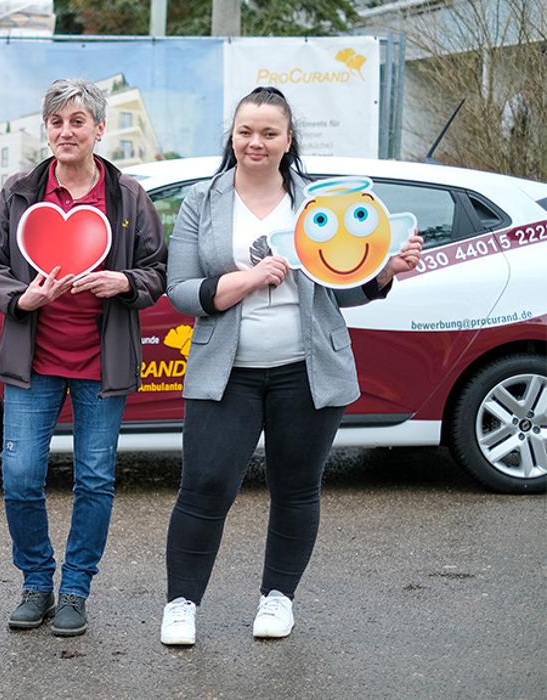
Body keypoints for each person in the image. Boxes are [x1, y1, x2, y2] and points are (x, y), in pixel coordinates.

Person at [159, 86, 424, 646]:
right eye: (245, 131)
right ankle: (181, 604)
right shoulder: (200, 202)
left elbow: (341, 287)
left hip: (305, 370)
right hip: (224, 372)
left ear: (288, 140)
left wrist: (383, 270)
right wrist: (247, 281)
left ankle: (277, 599)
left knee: (297, 487)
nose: (256, 142)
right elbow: (181, 291)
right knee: (204, 485)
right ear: (232, 136)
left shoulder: (316, 202)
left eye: (269, 133)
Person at [0, 78, 167, 637]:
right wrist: (21, 297)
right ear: (47, 128)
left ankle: (76, 590)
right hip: (32, 361)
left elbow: (158, 271)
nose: (66, 131)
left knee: (94, 478)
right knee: (19, 476)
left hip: (100, 364)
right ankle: (37, 581)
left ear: (99, 129)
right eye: (57, 121)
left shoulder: (128, 198)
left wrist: (124, 281)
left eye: (78, 121)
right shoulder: (19, 193)